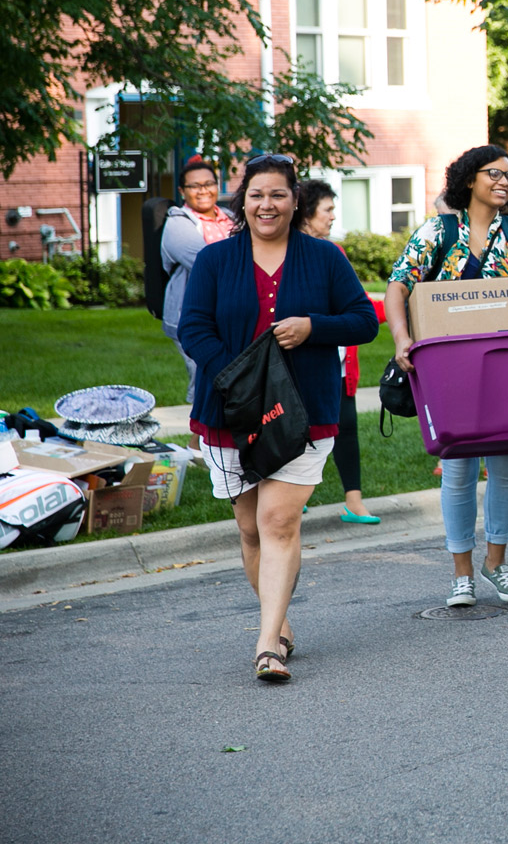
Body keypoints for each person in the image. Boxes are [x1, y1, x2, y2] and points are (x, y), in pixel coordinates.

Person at [177, 154, 378, 681]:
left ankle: (267, 644)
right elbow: (194, 329)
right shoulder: (216, 260)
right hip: (228, 412)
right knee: (249, 529)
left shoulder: (326, 258)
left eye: (279, 195)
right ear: (243, 202)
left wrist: (313, 327)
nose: (267, 204)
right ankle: (280, 618)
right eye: (257, 195)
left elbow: (362, 321)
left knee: (278, 521)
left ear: (296, 201)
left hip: (303, 413)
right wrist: (242, 375)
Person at [386, 146, 508, 609]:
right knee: (459, 466)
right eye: (495, 173)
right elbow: (398, 286)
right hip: (451, 363)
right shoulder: (438, 230)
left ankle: (497, 564)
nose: (505, 181)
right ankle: (461, 574)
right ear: (469, 179)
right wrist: (402, 339)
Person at [294, 179, 379, 524]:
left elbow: (353, 305)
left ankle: (354, 502)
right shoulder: (289, 252)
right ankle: (292, 493)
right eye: (327, 210)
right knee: (294, 427)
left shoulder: (335, 252)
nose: (332, 217)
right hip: (301, 360)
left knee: (347, 426)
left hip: (340, 360)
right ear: (307, 212)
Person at [160, 156, 236, 406]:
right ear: (182, 191)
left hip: (230, 313)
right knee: (205, 378)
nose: (203, 190)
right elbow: (206, 264)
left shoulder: (230, 218)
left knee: (233, 378)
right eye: (194, 186)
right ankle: (199, 440)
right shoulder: (177, 223)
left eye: (209, 183)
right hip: (194, 317)